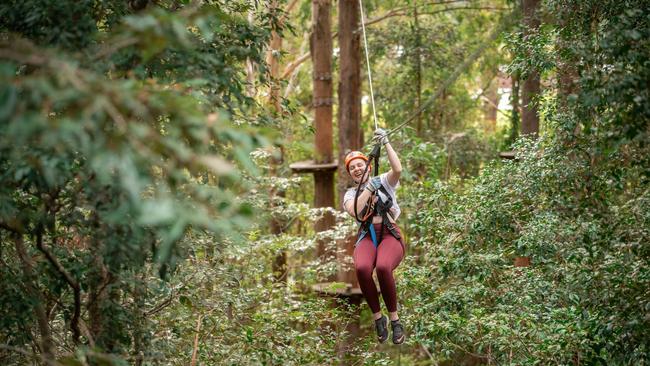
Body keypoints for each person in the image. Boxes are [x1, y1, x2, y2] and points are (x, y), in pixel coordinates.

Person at [342, 128, 406, 344]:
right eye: (353, 168)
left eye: (360, 164)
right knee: (361, 268)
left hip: (389, 234)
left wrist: (386, 142)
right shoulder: (351, 194)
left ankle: (395, 320)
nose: (357, 169)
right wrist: (368, 188)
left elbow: (397, 169)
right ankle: (379, 318)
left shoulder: (384, 181)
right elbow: (357, 212)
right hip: (368, 236)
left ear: (367, 165)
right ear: (351, 174)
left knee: (383, 267)